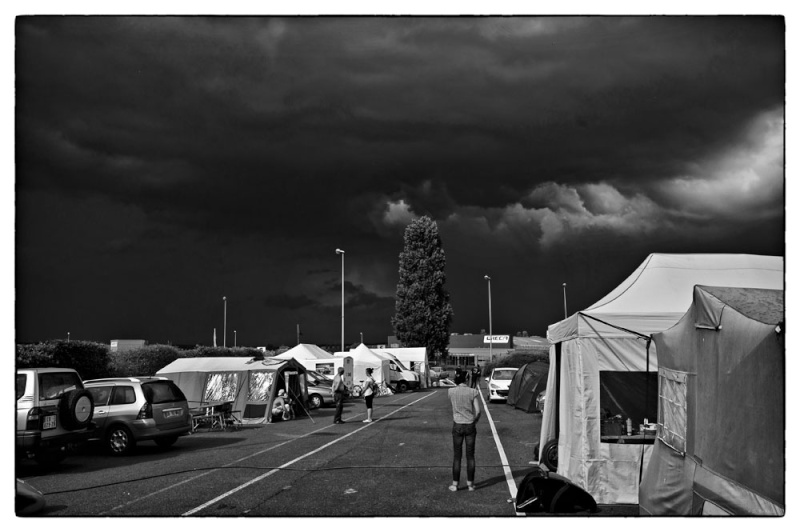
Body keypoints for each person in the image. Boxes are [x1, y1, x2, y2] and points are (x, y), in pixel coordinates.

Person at [447, 372, 481, 492]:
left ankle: (455, 484)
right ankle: (470, 484)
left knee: (457, 456)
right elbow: (478, 411)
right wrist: (474, 421)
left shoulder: (451, 391)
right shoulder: (473, 392)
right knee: (470, 456)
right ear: (467, 379)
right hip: (470, 424)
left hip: (457, 424)